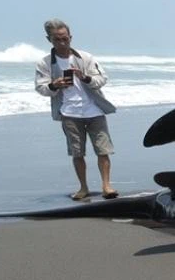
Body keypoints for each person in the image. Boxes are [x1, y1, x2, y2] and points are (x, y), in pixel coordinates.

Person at [33, 19, 118, 201]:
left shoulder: (85, 57)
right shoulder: (45, 63)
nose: (62, 43)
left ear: (70, 37)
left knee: (103, 149)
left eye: (65, 39)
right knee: (77, 152)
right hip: (69, 112)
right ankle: (83, 187)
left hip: (94, 110)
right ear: (49, 40)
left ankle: (106, 185)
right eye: (57, 39)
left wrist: (85, 77)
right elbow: (41, 88)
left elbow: (102, 78)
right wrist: (54, 85)